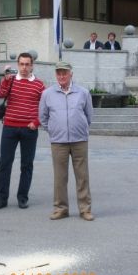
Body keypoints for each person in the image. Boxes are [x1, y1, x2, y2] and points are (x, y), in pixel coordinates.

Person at [39, 61, 94, 221]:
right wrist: (54, 129)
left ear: (71, 74)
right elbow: (43, 117)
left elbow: (89, 115)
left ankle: (85, 209)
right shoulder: (47, 94)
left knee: (82, 176)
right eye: (59, 73)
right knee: (60, 177)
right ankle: (61, 209)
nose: (61, 76)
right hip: (58, 141)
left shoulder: (83, 92)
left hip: (79, 140)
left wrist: (81, 128)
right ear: (56, 75)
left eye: (64, 73)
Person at [0, 52, 45, 210]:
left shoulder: (39, 85)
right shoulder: (11, 81)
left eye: (27, 64)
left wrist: (36, 122)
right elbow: (0, 94)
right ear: (18, 65)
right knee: (4, 164)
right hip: (9, 127)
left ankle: (22, 197)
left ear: (32, 65)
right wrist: (5, 80)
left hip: (29, 129)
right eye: (21, 64)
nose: (24, 67)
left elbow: (45, 108)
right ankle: (2, 198)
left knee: (27, 165)